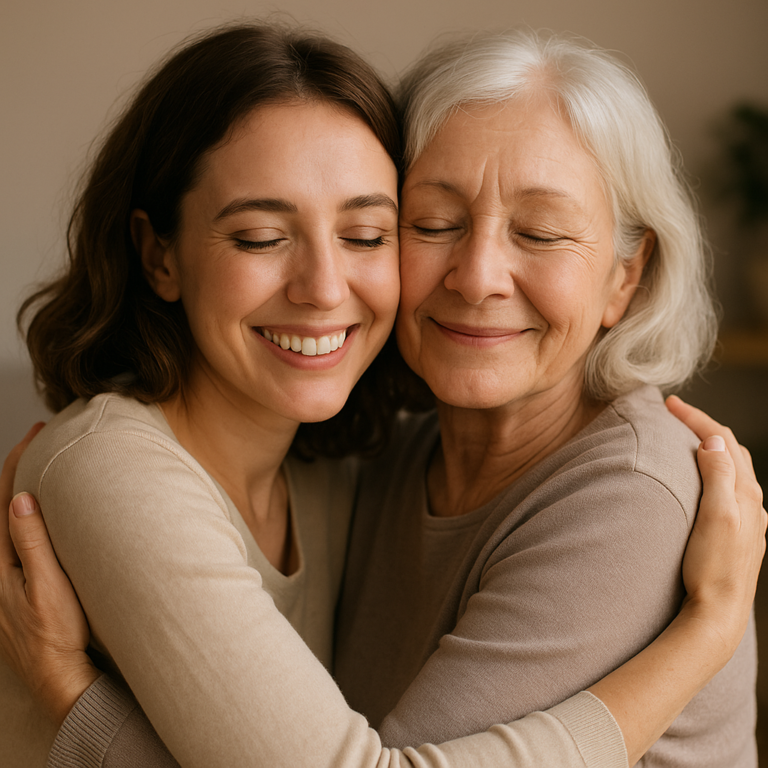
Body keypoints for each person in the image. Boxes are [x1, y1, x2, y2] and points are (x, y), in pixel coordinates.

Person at [0, 23, 764, 768]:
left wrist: (77, 703)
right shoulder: (373, 462)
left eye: (540, 233)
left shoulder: (630, 497)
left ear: (625, 276)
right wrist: (703, 638)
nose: (476, 276)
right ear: (158, 254)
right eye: (433, 223)